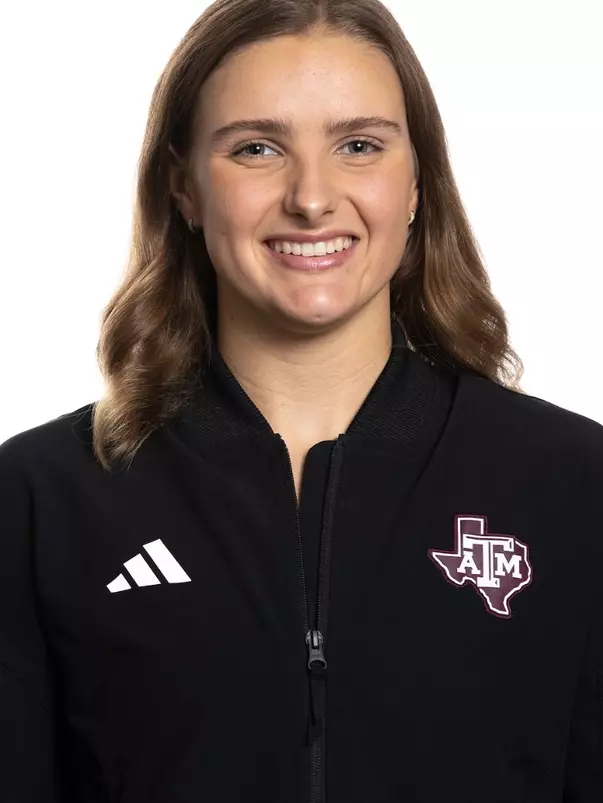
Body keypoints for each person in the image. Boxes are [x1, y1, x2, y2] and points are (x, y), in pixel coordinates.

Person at [1, 0, 602, 800]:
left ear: (416, 181)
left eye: (358, 146)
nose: (311, 198)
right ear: (182, 187)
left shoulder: (570, 485)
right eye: (256, 148)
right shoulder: (44, 498)